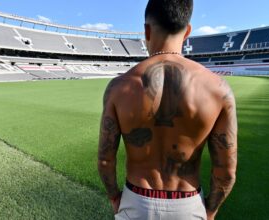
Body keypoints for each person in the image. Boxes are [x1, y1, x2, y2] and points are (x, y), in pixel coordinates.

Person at [97, 0, 238, 219]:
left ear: (146, 30)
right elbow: (226, 171)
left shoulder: (119, 87)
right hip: (188, 204)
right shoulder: (218, 89)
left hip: (136, 200)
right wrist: (211, 210)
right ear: (188, 30)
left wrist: (114, 196)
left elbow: (105, 159)